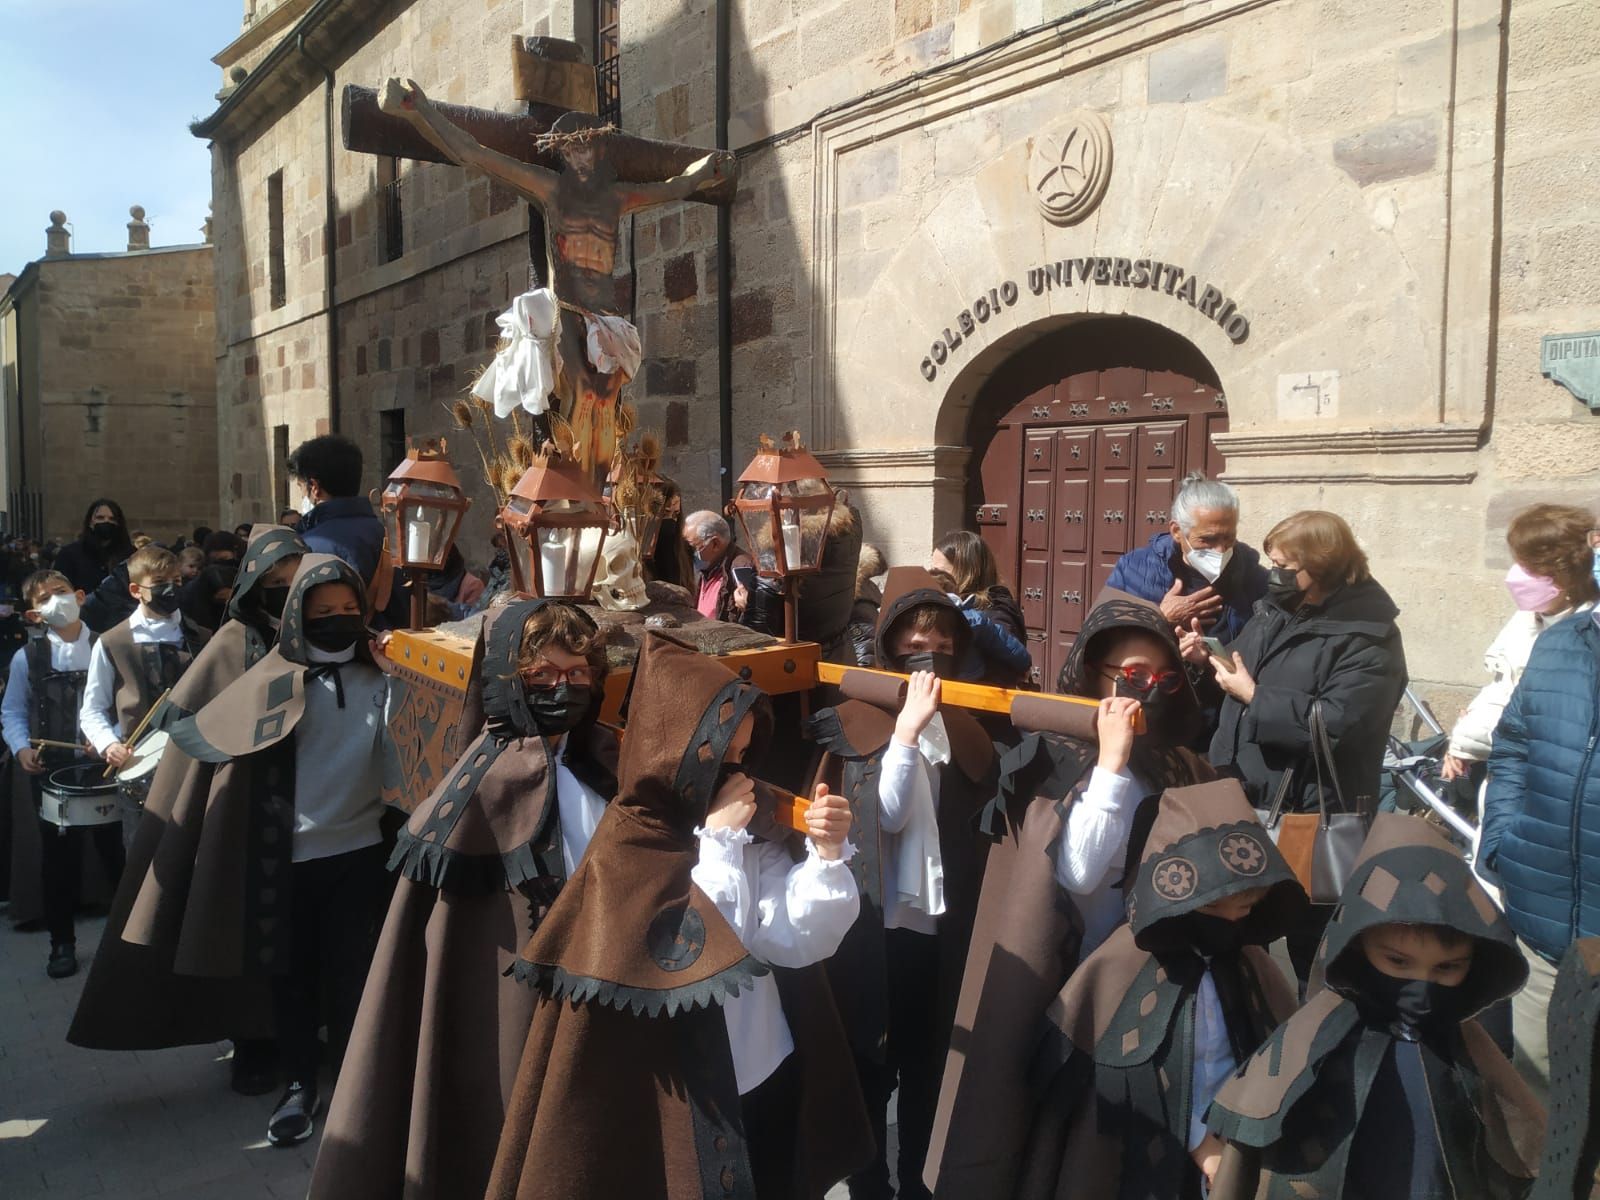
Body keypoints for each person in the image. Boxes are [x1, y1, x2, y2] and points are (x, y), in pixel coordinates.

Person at [486, 632, 873, 1200]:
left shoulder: (748, 827)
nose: (738, 770)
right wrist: (716, 844)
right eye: (723, 756)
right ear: (682, 751)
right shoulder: (630, 840)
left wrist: (827, 857)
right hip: (681, 1095)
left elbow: (793, 940)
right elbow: (682, 957)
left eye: (746, 753)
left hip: (765, 1067)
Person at [310, 598, 620, 1200]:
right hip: (522, 1018)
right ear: (508, 684)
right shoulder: (485, 787)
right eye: (543, 675)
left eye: (578, 673)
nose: (564, 687)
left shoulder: (595, 760)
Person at [924, 589, 1215, 1197]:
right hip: (1069, 984)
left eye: (1163, 678)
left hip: (1154, 986)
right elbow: (1077, 870)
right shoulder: (1058, 755)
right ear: (1093, 673)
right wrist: (1111, 764)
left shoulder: (1176, 761)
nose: (1147, 691)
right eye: (1131, 676)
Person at [67, 526, 307, 1096]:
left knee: (301, 931)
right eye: (274, 583)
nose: (284, 594)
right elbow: (184, 722)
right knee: (235, 923)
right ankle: (253, 1042)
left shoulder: (316, 637)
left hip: (310, 815)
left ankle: (300, 1034)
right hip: (236, 810)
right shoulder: (227, 643)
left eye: (294, 584)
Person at [165, 554, 393, 1144]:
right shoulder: (272, 681)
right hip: (284, 858)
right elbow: (203, 734)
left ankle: (352, 1087)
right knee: (290, 978)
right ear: (297, 616)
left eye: (350, 610)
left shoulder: (383, 677)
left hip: (359, 852)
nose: (340, 620)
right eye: (324, 613)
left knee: (351, 976)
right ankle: (299, 1084)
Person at [1207, 814, 1545, 1199]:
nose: (1420, 987)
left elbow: (1523, 1143)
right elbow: (1254, 1127)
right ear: (1358, 944)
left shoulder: (1468, 1047)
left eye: (1447, 967)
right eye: (1397, 962)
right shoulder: (1316, 1036)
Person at [1017, 778, 1305, 1198]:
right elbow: (1105, 1088)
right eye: (1209, 906)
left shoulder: (1253, 966)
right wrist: (1199, 1140)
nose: (1226, 921)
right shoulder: (1120, 965)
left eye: (1242, 908)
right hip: (1133, 1162)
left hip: (1234, 1152)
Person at [808, 567, 998, 1200]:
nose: (929, 648)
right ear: (889, 642)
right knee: (871, 1066)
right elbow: (883, 815)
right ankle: (870, 1183)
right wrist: (909, 731)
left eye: (942, 636)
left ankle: (920, 1180)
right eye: (916, 635)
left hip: (937, 930)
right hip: (874, 926)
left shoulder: (968, 722)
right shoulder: (854, 718)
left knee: (930, 1066)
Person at [1185, 509, 1407, 981]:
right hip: (1245, 800)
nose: (1275, 576)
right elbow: (1244, 673)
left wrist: (1253, 695)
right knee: (1239, 932)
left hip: (1317, 815)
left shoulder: (1370, 637)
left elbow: (1336, 724)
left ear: (1322, 567)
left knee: (1319, 948)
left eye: (1286, 567)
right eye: (1273, 564)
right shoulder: (1273, 609)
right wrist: (1211, 662)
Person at [1481, 570, 1600, 1105]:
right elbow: (1514, 746)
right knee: (1538, 1105)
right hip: (1543, 926)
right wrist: (1503, 844)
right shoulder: (1560, 642)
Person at [0, 569, 123, 977]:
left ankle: (128, 943)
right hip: (53, 772)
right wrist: (20, 746)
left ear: (81, 596)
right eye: (45, 598)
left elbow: (127, 705)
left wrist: (110, 739)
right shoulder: (27, 657)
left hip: (105, 767)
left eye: (62, 592)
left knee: (116, 855)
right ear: (34, 614)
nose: (57, 600)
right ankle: (62, 945)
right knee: (59, 862)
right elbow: (13, 709)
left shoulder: (108, 647)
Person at [1442, 504, 1598, 786]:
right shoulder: (1527, 618)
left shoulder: (1588, 637)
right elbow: (1503, 685)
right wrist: (1462, 742)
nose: (1515, 575)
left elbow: (1550, 726)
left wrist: (1471, 736)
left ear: (1563, 576)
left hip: (1550, 790)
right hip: (1506, 781)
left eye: (1528, 567)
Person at [79, 544, 195, 852]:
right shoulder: (112, 642)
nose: (170, 590)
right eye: (159, 584)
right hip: (140, 770)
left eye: (176, 581)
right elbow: (92, 710)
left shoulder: (200, 636)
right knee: (145, 861)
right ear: (135, 589)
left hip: (193, 763)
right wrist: (109, 744)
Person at [1107, 472, 1269, 644]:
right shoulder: (1132, 568)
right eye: (1208, 539)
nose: (1221, 550)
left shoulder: (1253, 576)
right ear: (1177, 531)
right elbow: (1099, 637)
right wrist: (1160, 620)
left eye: (1229, 538)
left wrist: (1210, 659)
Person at [928, 567, 1033, 686]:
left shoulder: (971, 620)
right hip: (970, 681)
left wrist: (1024, 663)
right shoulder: (972, 618)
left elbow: (1000, 640)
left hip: (960, 681)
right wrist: (1024, 663)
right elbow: (1004, 643)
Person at [928, 528, 1028, 650]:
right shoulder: (950, 604)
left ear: (966, 572)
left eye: (940, 571)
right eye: (932, 570)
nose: (933, 577)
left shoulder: (996, 612)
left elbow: (1006, 657)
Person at [685, 510, 757, 624]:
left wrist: (747, 607)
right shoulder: (705, 569)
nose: (687, 554)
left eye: (692, 548)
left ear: (715, 544)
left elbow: (753, 620)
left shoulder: (742, 569)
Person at [53, 498, 135, 594]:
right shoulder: (69, 554)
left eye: (112, 519)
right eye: (100, 518)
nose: (106, 522)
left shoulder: (131, 555)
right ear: (90, 522)